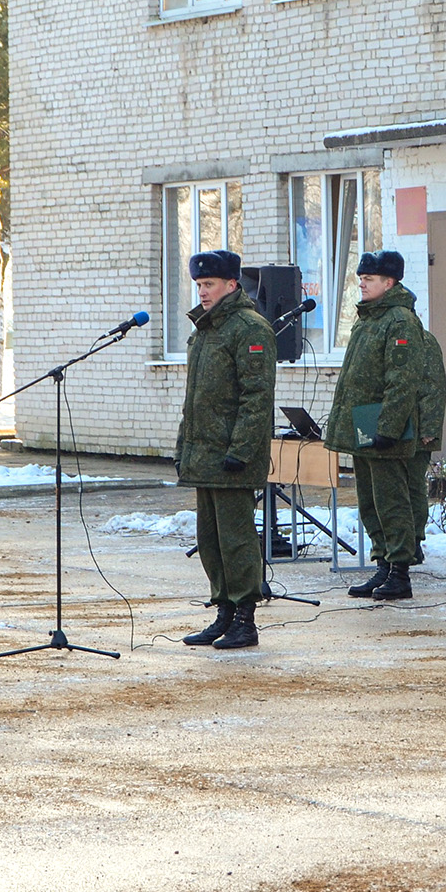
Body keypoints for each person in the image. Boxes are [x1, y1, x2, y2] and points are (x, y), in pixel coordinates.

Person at [175, 249, 277, 651]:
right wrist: (184, 447)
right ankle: (223, 612)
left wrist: (241, 449)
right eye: (199, 285)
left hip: (233, 457)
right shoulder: (205, 330)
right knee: (211, 538)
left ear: (231, 285)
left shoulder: (249, 329)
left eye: (209, 285)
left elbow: (256, 398)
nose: (202, 292)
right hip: (204, 455)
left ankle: (245, 618)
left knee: (236, 539)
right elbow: (194, 400)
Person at [325, 250, 426, 602]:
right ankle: (383, 564)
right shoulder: (368, 318)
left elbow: (402, 380)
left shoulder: (398, 320)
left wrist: (389, 426)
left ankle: (400, 570)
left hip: (383, 429)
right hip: (363, 424)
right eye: (361, 278)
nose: (362, 283)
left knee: (391, 500)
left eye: (369, 279)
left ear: (389, 282)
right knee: (370, 500)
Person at [406, 324, 446, 565]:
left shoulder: (424, 340)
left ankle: (414, 541)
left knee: (412, 487)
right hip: (394, 428)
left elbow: (434, 386)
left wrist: (429, 429)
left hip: (418, 431)